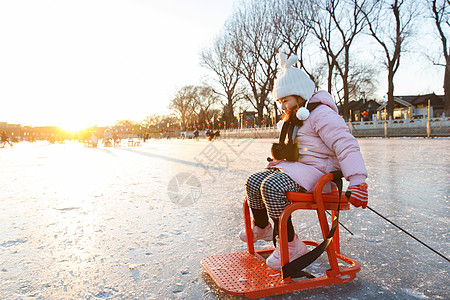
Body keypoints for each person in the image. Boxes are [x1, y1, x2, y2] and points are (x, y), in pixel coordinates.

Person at [239, 53, 368, 271]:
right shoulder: (294, 118)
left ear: (300, 96)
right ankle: (263, 227)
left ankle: (290, 244)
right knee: (254, 181)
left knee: (271, 186)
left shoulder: (321, 115)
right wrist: (278, 161)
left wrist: (357, 181)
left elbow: (345, 144)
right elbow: (300, 151)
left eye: (285, 101)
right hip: (299, 170)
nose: (282, 107)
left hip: (321, 174)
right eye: (279, 102)